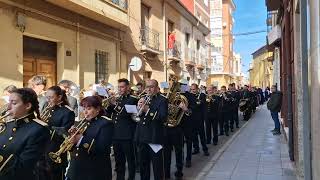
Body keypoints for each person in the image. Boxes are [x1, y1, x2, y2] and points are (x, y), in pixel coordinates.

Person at [0, 88, 50, 180]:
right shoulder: (8, 125)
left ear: (27, 106)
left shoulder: (39, 129)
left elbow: (24, 165)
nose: (8, 107)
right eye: (9, 102)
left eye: (14, 103)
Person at [66, 96, 114, 180]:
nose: (85, 112)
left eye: (88, 108)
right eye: (84, 109)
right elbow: (73, 149)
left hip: (93, 171)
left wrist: (80, 139)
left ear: (98, 109)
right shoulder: (80, 123)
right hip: (75, 170)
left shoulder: (105, 124)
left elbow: (102, 148)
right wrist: (71, 139)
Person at [134, 79, 168, 180]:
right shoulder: (142, 98)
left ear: (157, 88)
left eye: (151, 87)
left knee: (157, 167)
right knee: (143, 166)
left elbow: (163, 117)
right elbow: (136, 117)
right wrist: (138, 107)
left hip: (154, 137)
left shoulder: (162, 100)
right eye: (147, 87)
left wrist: (147, 110)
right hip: (142, 136)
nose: (148, 89)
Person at [107, 78, 138, 180]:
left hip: (127, 135)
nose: (120, 89)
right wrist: (108, 104)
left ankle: (131, 178)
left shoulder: (133, 99)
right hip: (116, 134)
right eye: (119, 87)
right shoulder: (118, 99)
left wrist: (115, 104)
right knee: (119, 161)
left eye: (122, 87)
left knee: (130, 160)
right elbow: (109, 114)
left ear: (128, 87)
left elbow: (125, 113)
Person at [42, 86, 75, 180]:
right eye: (47, 97)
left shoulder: (67, 112)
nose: (48, 100)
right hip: (43, 149)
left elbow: (64, 134)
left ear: (59, 97)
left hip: (55, 149)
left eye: (50, 97)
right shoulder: (47, 108)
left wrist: (46, 128)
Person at [163, 82, 190, 179]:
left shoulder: (183, 99)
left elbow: (190, 113)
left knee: (179, 151)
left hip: (177, 129)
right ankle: (166, 173)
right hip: (166, 128)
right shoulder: (164, 99)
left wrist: (185, 109)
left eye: (175, 88)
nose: (172, 91)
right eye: (172, 88)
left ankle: (179, 172)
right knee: (166, 153)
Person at [189, 83, 209, 156]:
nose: (192, 91)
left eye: (194, 89)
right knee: (194, 135)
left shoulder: (202, 95)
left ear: (197, 89)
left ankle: (205, 149)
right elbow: (190, 105)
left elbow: (202, 105)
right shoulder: (190, 96)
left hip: (200, 119)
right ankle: (196, 148)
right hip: (192, 119)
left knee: (202, 135)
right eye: (191, 89)